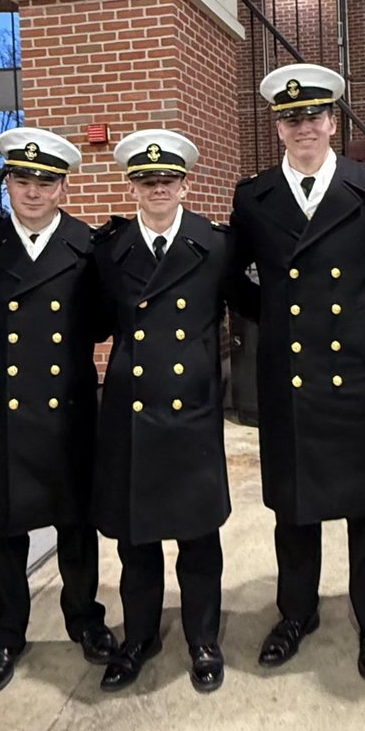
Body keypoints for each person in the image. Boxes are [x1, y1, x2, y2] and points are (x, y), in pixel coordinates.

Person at [230, 63, 365, 679]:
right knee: (293, 509)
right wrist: (277, 321)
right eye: (290, 117)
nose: (302, 126)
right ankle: (296, 613)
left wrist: (360, 316)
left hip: (355, 379)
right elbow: (234, 282)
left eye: (313, 115)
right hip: (292, 382)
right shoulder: (253, 198)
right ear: (278, 126)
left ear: (334, 120)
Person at [92, 129, 258, 694]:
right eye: (146, 179)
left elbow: (251, 307)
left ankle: (203, 639)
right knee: (135, 541)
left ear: (186, 183)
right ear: (132, 185)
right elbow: (89, 322)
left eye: (167, 179)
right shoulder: (108, 250)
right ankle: (139, 637)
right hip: (129, 414)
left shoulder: (215, 246)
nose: (157, 188)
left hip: (192, 412)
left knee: (197, 537)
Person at [0, 127, 117, 696]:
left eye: (45, 181)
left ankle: (84, 617)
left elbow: (102, 322)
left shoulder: (88, 246)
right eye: (22, 179)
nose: (32, 191)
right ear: (8, 184)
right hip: (4, 411)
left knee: (76, 524)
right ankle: (7, 634)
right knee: (4, 529)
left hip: (70, 407)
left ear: (62, 186)